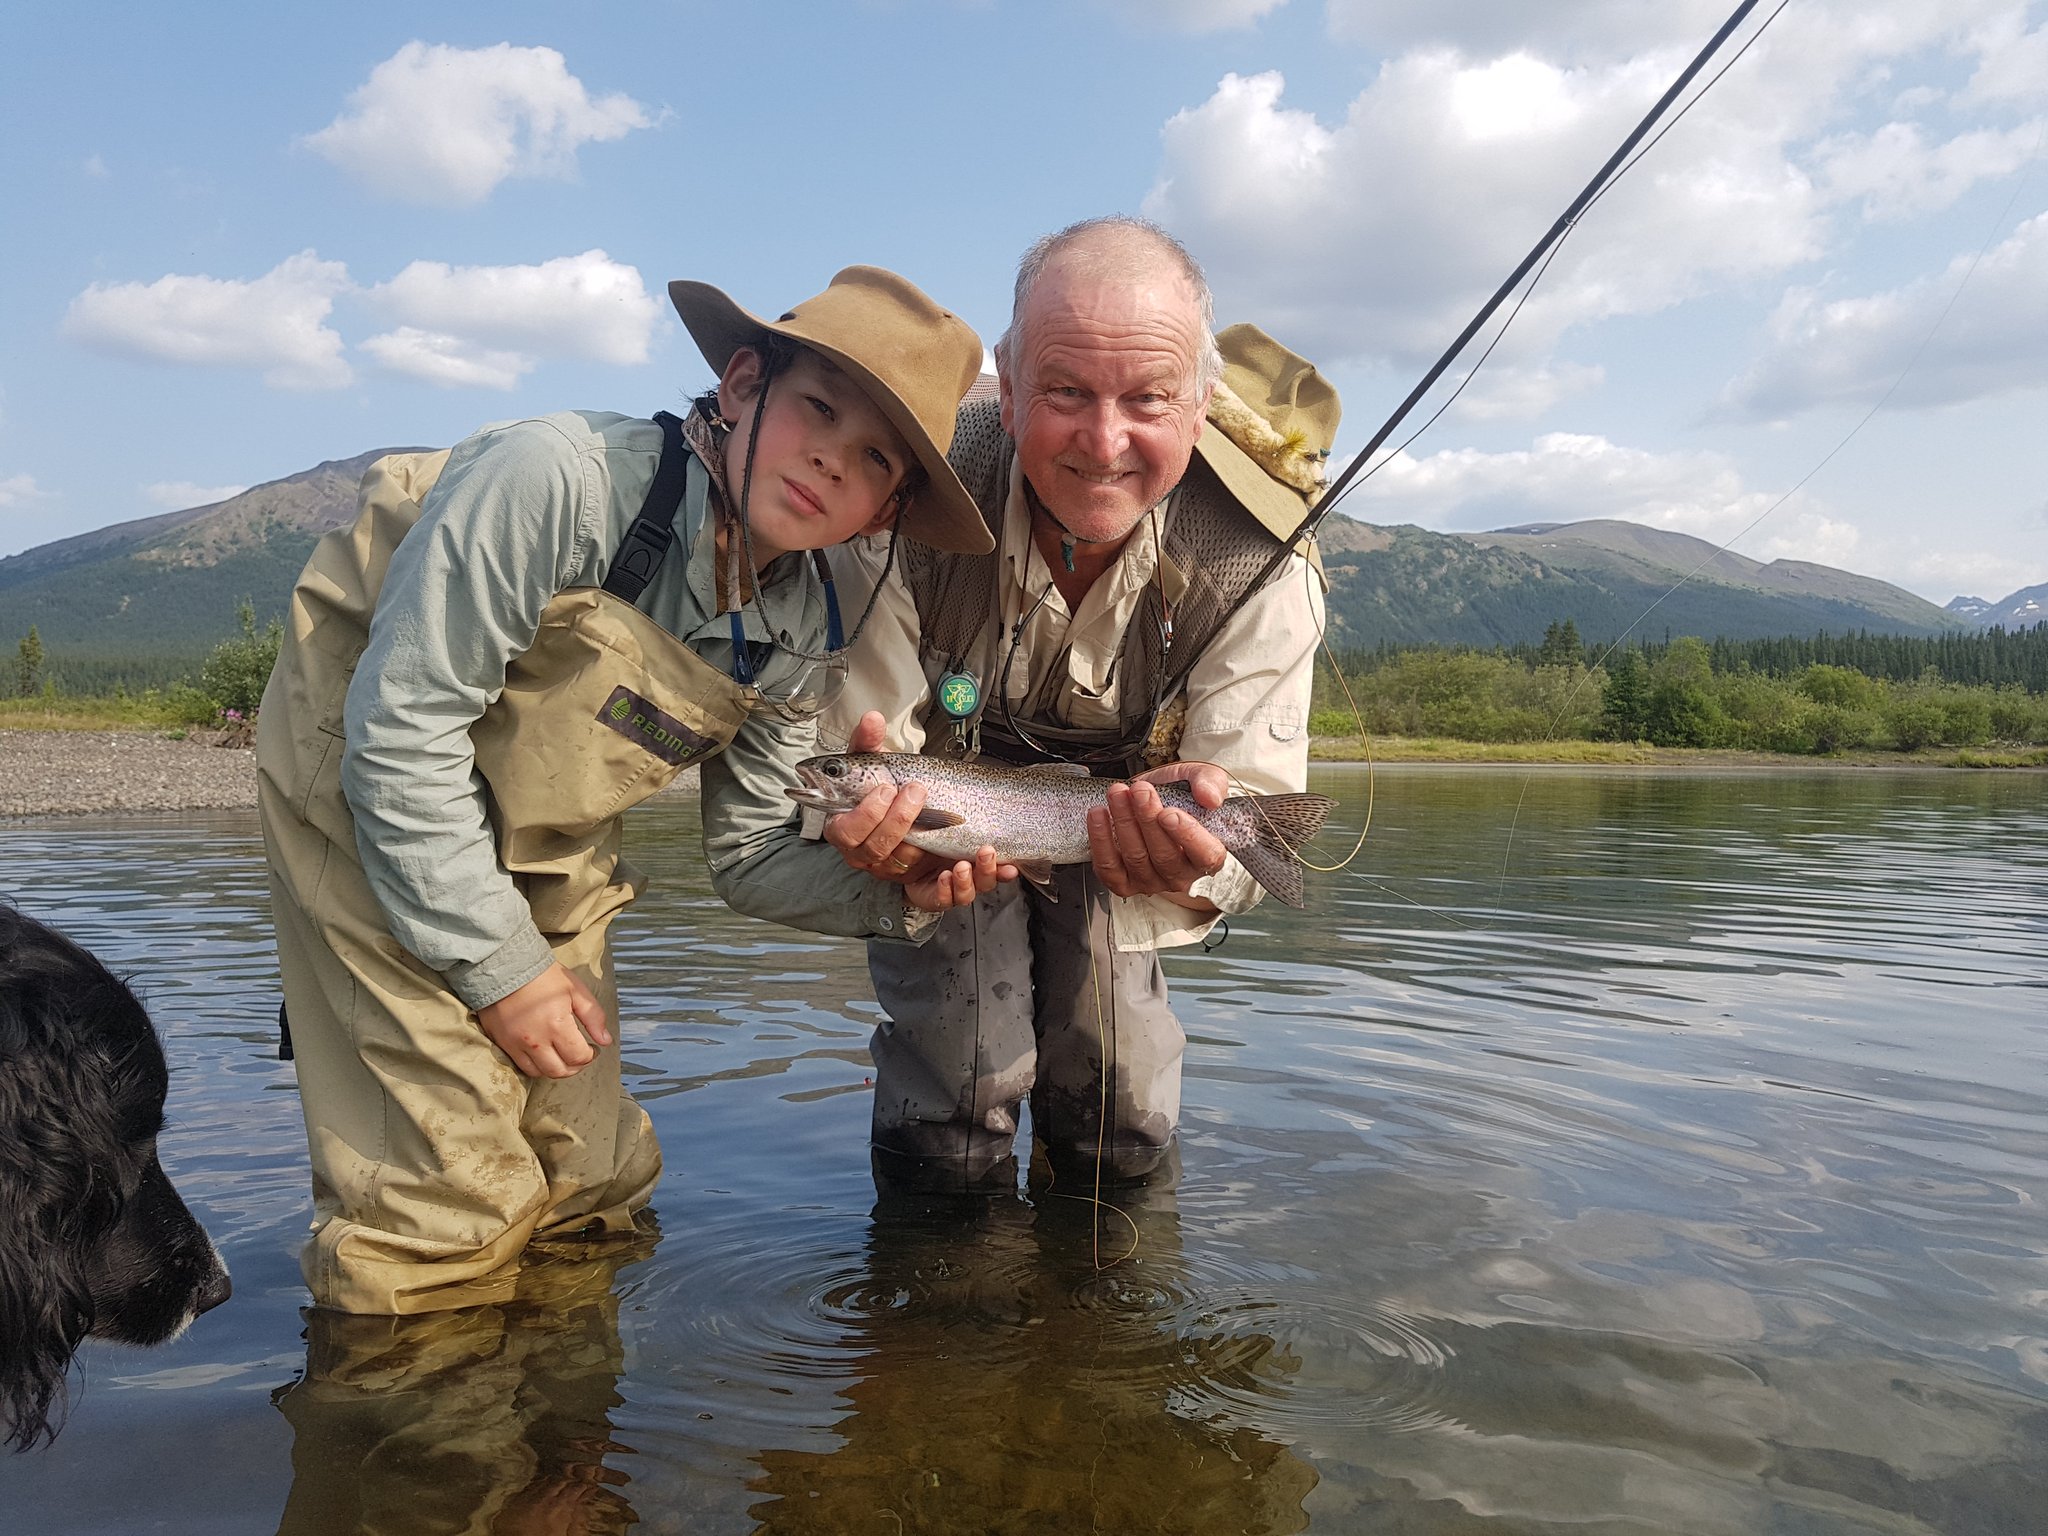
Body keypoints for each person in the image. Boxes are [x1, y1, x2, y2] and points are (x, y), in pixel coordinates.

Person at [257, 266, 1006, 1314]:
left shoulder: (805, 623)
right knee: (443, 1208)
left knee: (591, 1178)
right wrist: (503, 972)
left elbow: (747, 856)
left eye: (875, 456)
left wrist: (898, 896)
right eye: (817, 408)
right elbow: (401, 742)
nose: (833, 457)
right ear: (742, 384)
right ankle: (423, 1460)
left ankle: (571, 1443)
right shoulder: (554, 483)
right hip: (360, 780)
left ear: (888, 507)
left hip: (546, 824)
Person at [817, 217, 1340, 1191]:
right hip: (950, 829)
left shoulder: (1264, 558)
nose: (1104, 443)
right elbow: (868, 744)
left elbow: (1247, 790)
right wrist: (874, 839)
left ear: (1201, 403)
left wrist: (1199, 869)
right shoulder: (903, 499)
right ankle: (939, 1308)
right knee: (954, 1097)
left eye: (1147, 398)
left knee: (1121, 1106)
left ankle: (1110, 1312)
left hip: (1124, 820)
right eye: (1063, 392)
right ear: (1007, 394)